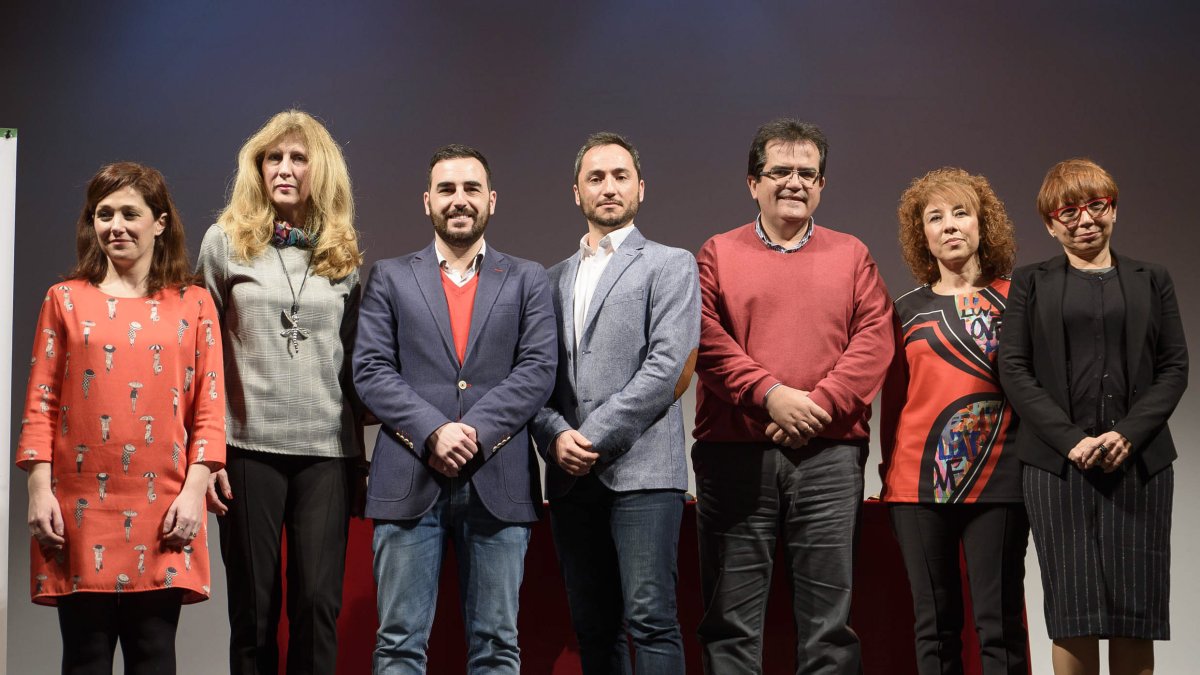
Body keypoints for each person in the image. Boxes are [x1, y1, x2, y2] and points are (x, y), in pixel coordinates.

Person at [692, 118, 894, 674]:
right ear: (752, 183)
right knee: (729, 623)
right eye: (779, 171)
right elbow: (705, 339)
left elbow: (875, 339)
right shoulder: (717, 252)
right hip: (735, 455)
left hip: (828, 458)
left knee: (830, 628)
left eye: (808, 173)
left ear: (822, 185)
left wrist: (818, 405)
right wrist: (770, 395)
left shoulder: (851, 254)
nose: (794, 182)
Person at [353, 144, 557, 674]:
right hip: (408, 479)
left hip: (499, 481)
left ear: (492, 200)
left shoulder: (528, 278)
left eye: (471, 189)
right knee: (398, 644)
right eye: (447, 189)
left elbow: (537, 369)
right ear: (427, 201)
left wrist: (473, 432)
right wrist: (434, 431)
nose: (459, 200)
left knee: (496, 646)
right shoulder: (390, 277)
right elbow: (371, 370)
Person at [18, 161, 225, 673]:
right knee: (84, 656)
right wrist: (38, 490)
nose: (116, 226)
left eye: (130, 214)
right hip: (78, 508)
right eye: (103, 214)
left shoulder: (194, 303)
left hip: (164, 506)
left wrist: (195, 492)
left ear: (159, 222)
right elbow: (41, 402)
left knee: (154, 655)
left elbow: (209, 405)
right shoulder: (63, 300)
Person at [999, 158, 1188, 675]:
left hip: (1140, 465)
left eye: (1096, 206)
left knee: (1135, 611)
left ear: (1113, 209)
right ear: (1050, 222)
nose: (1084, 220)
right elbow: (1014, 369)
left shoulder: (1154, 279)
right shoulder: (1031, 282)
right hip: (1059, 468)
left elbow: (1174, 367)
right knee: (1073, 609)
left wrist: (1128, 435)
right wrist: (1070, 441)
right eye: (1069, 211)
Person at [196, 109, 364, 675]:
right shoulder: (224, 243)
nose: (285, 169)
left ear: (322, 169)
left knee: (318, 606)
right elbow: (202, 355)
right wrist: (208, 453)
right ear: (257, 167)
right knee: (255, 611)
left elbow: (353, 365)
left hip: (326, 454)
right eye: (274, 158)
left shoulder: (341, 254)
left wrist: (361, 460)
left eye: (298, 157)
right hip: (247, 450)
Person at [530, 132, 700, 674]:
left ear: (641, 188)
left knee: (651, 620)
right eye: (595, 178)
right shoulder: (549, 279)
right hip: (570, 475)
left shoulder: (671, 264)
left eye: (620, 176)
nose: (608, 187)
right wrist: (556, 436)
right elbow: (537, 377)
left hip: (644, 473)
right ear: (575, 192)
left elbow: (667, 368)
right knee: (592, 627)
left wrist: (591, 437)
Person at [880, 167, 1028, 674]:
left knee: (999, 626)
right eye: (935, 217)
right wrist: (887, 477)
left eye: (960, 213)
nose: (949, 226)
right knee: (935, 627)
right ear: (922, 235)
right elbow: (894, 403)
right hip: (917, 487)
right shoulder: (904, 310)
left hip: (1002, 481)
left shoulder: (1019, 300)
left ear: (983, 224)